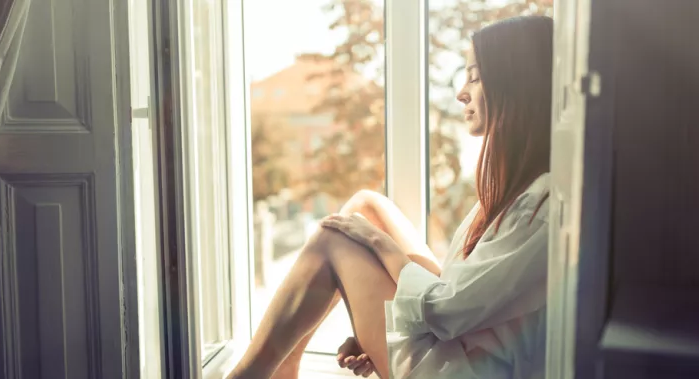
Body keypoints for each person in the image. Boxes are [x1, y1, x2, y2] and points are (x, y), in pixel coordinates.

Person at [228, 15, 553, 379]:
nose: (462, 92)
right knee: (366, 206)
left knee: (335, 238)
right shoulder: (521, 189)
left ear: (517, 87)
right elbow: (464, 294)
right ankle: (283, 369)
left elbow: (447, 310)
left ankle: (251, 374)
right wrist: (374, 329)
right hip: (462, 340)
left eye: (474, 77)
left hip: (463, 369)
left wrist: (381, 245)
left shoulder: (539, 208)